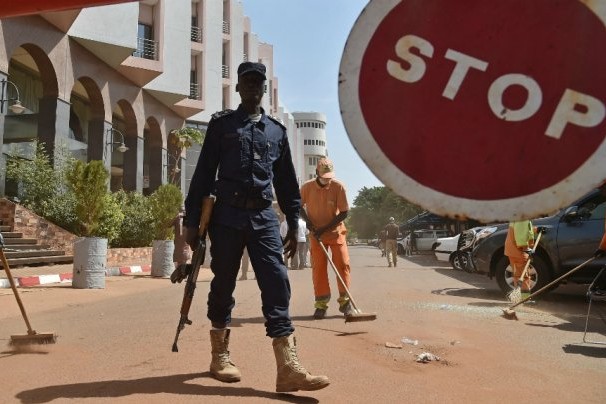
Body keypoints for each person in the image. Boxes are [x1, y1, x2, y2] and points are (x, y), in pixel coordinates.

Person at [183, 61, 329, 392]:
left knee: (277, 282)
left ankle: (287, 367)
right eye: (247, 83)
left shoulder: (276, 131)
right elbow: (204, 173)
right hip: (227, 216)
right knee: (223, 283)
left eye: (258, 83)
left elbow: (288, 183)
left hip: (264, 217)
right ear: (237, 88)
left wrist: (293, 220)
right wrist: (192, 224)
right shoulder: (221, 126)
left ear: (264, 89)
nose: (252, 88)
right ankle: (220, 354)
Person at [300, 157, 353, 320]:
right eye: (324, 176)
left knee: (343, 265)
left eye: (329, 176)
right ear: (317, 173)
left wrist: (325, 228)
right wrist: (309, 223)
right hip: (316, 237)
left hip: (336, 234)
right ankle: (321, 305)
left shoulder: (338, 187)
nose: (327, 179)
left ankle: (345, 303)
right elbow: (297, 206)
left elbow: (344, 212)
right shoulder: (307, 187)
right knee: (318, 269)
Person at [504, 220, 535, 300]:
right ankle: (524, 300)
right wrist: (527, 249)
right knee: (524, 276)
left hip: (513, 250)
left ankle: (519, 298)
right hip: (519, 251)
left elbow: (524, 231)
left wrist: (536, 230)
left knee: (518, 275)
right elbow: (521, 239)